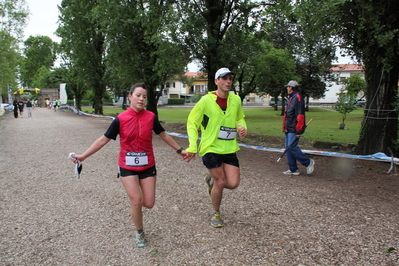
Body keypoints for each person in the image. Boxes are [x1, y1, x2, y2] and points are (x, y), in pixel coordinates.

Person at [70, 83, 189, 248]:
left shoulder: (151, 117)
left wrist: (180, 150)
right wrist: (83, 156)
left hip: (148, 165)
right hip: (127, 166)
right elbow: (103, 139)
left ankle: (136, 212)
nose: (141, 99)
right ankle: (139, 231)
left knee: (149, 203)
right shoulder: (120, 119)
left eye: (144, 96)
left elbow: (163, 135)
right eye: (138, 95)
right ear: (130, 96)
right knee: (136, 201)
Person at [185, 67, 247, 228]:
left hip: (229, 148)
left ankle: (211, 181)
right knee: (220, 181)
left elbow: (240, 117)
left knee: (233, 183)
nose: (228, 81)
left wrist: (241, 127)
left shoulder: (236, 100)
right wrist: (193, 145)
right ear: (216, 81)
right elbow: (192, 122)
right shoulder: (206, 101)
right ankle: (216, 213)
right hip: (210, 147)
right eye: (224, 78)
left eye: (230, 78)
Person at [282, 80, 315, 175]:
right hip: (288, 127)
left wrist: (299, 130)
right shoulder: (291, 98)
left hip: (294, 128)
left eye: (288, 87)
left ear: (291, 88)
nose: (287, 88)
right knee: (288, 148)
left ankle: (308, 162)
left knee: (291, 146)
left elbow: (300, 115)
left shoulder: (298, 97)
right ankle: (293, 169)